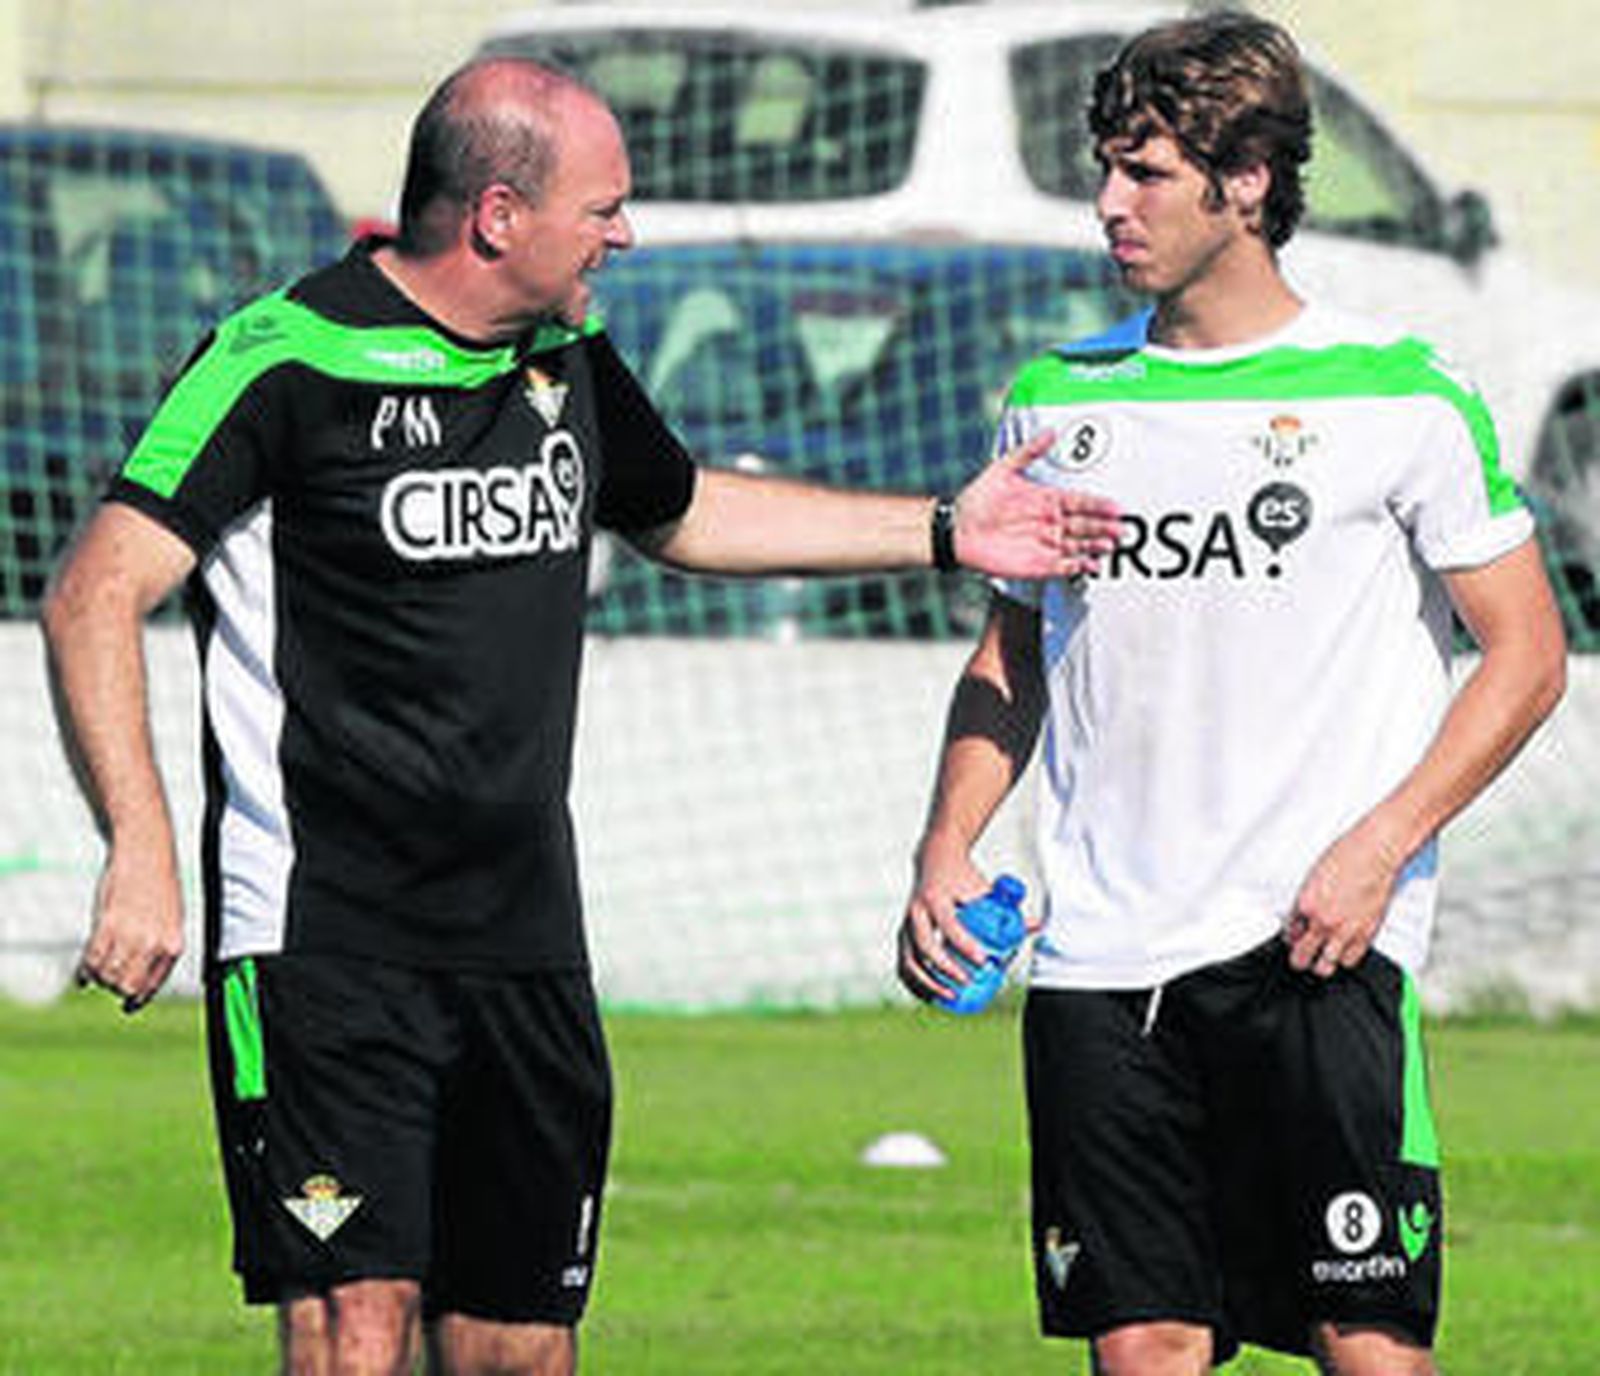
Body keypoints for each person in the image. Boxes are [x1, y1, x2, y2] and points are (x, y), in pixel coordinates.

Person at [40, 58, 1122, 1376]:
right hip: (326, 939)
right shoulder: (279, 359)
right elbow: (96, 590)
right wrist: (140, 849)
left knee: (522, 1346)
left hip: (525, 942)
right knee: (352, 1327)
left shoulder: (567, 358)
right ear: (498, 215)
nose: (626, 233)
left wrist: (949, 530)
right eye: (604, 206)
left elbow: (684, 509)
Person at [896, 13, 1566, 1376]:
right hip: (1099, 965)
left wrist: (1378, 849)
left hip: (1317, 954)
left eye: (1145, 171)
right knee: (1144, 1346)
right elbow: (1007, 663)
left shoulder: (1402, 395)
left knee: (1368, 1345)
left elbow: (1529, 655)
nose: (1107, 204)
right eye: (1107, 166)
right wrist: (946, 842)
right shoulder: (1054, 404)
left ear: (1248, 179)